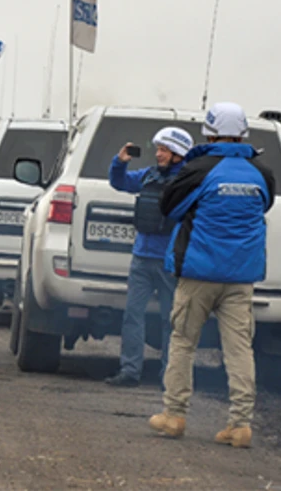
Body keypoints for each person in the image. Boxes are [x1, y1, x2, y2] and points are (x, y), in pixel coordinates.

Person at [149, 102, 275, 449]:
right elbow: (264, 205)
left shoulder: (199, 169)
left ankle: (174, 415)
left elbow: (170, 207)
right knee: (239, 349)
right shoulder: (262, 174)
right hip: (241, 278)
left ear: (208, 131)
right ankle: (240, 424)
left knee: (183, 342)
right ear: (243, 133)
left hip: (199, 273)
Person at [105, 127, 194, 388]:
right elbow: (119, 183)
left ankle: (170, 377)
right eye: (158, 149)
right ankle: (130, 371)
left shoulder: (188, 182)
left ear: (178, 154)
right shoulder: (149, 175)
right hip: (141, 258)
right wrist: (119, 163)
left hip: (169, 261)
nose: (158, 154)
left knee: (171, 321)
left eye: (164, 150)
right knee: (132, 315)